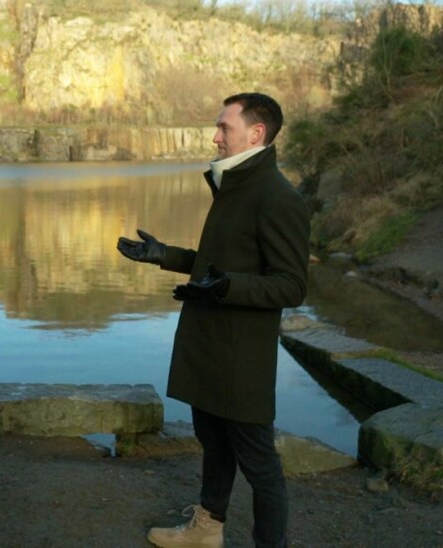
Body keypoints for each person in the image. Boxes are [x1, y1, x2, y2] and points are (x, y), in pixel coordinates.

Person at [117, 92, 309, 548]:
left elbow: (291, 286)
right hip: (209, 343)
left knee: (260, 464)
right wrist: (165, 255)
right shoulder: (235, 185)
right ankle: (207, 529)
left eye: (225, 127)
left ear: (255, 133)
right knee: (214, 442)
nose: (215, 136)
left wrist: (229, 287)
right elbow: (218, 262)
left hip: (242, 354)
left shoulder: (278, 197)